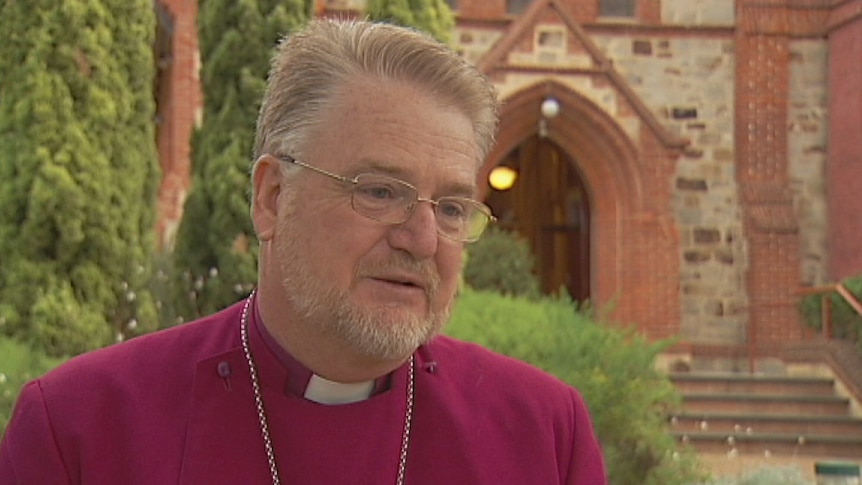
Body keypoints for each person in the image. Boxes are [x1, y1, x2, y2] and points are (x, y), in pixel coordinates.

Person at [0, 19, 606, 484]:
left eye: (450, 208)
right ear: (272, 198)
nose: (422, 240)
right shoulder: (82, 429)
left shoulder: (544, 435)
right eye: (379, 191)